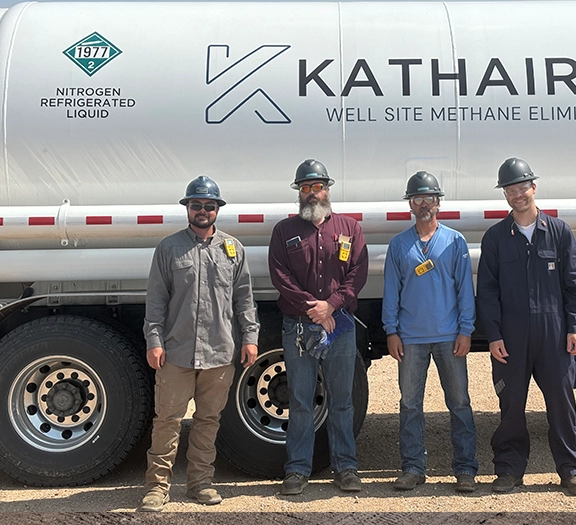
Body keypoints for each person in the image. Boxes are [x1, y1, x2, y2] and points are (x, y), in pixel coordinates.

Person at [140, 175, 260, 512]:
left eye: (209, 206)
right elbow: (156, 301)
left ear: (217, 210)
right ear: (188, 208)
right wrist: (154, 340)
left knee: (208, 422)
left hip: (220, 353)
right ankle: (157, 487)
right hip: (176, 352)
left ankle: (200, 483)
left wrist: (250, 337)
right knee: (167, 421)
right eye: (197, 205)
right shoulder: (169, 248)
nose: (203, 211)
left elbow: (244, 300)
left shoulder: (232, 249)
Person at [476, 158, 576, 496]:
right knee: (511, 405)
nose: (517, 194)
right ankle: (509, 470)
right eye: (511, 190)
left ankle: (571, 469)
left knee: (561, 401)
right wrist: (493, 335)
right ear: (505, 195)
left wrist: (574, 327)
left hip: (554, 334)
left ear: (533, 188)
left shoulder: (558, 232)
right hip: (510, 337)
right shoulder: (496, 237)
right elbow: (487, 291)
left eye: (522, 187)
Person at [268, 159, 368, 495]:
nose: (312, 193)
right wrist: (313, 309)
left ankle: (346, 468)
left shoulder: (349, 228)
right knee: (299, 400)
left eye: (318, 186)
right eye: (306, 188)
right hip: (298, 326)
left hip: (339, 326)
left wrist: (332, 306)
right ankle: (297, 470)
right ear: (299, 192)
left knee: (342, 400)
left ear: (328, 189)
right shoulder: (285, 230)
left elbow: (358, 273)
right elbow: (280, 276)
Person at [382, 171, 479, 492]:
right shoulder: (399, 244)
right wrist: (391, 331)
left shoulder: (454, 241)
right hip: (410, 339)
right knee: (410, 405)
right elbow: (391, 291)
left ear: (439, 203)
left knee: (460, 403)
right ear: (410, 204)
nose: (423, 204)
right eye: (417, 199)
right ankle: (413, 468)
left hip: (450, 336)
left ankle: (465, 469)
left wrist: (466, 330)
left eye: (429, 198)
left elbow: (465, 289)